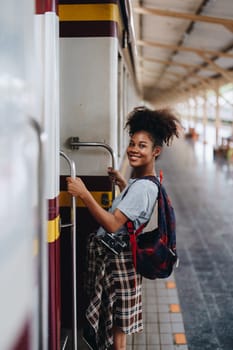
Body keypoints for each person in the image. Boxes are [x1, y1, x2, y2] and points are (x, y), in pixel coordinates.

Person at [67, 106, 181, 350]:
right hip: (123, 258)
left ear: (155, 151)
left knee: (115, 324)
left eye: (142, 145)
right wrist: (122, 183)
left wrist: (84, 194)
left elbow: (111, 224)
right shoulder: (145, 181)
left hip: (118, 261)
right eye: (132, 143)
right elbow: (133, 212)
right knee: (117, 324)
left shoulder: (142, 187)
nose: (133, 149)